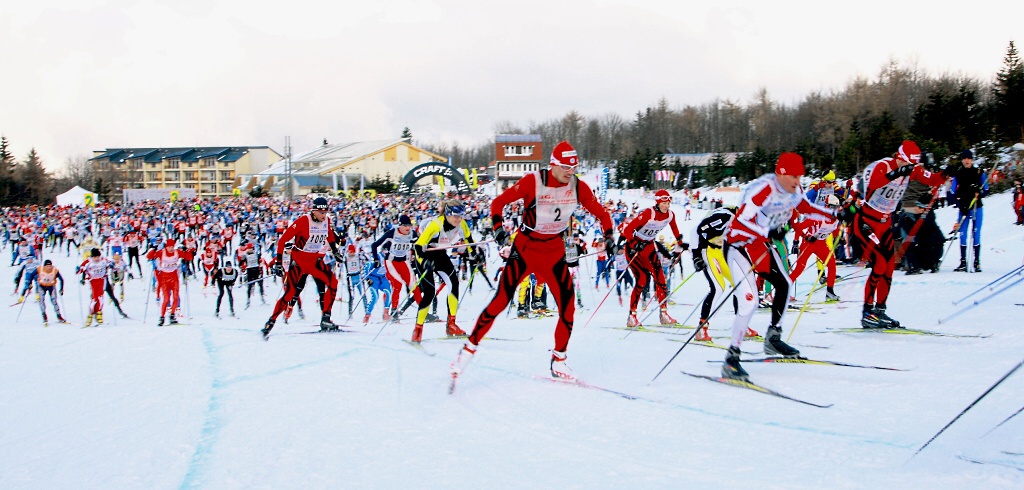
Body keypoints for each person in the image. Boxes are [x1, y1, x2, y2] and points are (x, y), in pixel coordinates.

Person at [450, 140, 614, 383]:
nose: (571, 173)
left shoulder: (579, 187)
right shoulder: (533, 181)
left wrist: (609, 236)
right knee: (500, 301)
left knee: (567, 308)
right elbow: (498, 203)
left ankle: (559, 360)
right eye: (566, 168)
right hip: (524, 250)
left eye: (574, 168)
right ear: (553, 165)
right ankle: (468, 350)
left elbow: (601, 214)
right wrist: (497, 229)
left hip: (554, 251)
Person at [721, 152, 838, 380]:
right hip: (738, 244)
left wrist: (835, 213)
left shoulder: (795, 191)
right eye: (793, 176)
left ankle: (773, 339)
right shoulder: (763, 190)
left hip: (760, 244)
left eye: (800, 176)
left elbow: (806, 208)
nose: (797, 181)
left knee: (784, 283)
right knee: (749, 300)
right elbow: (741, 222)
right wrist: (768, 231)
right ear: (781, 175)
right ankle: (731, 359)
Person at [853, 141, 948, 328]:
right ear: (900, 158)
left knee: (889, 266)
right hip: (866, 222)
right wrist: (899, 172)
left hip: (884, 223)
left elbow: (932, 179)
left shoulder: (913, 169)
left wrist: (946, 174)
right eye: (907, 164)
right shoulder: (884, 165)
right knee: (879, 263)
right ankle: (867, 312)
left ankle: (880, 310)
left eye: (913, 165)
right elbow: (875, 183)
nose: (910, 169)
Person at [262, 197, 345, 338]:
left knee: (333, 283)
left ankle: (326, 319)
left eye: (326, 212)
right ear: (313, 211)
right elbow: (283, 240)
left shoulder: (326, 220)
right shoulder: (303, 221)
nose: (324, 215)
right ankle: (271, 321)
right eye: (321, 212)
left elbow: (330, 235)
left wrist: (335, 251)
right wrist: (278, 263)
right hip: (299, 261)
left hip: (314, 261)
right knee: (290, 293)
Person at [621, 189, 687, 327]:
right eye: (664, 203)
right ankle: (632, 316)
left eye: (668, 202)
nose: (666, 205)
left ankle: (664, 314)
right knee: (642, 280)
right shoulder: (648, 213)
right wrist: (634, 243)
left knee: (661, 278)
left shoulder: (670, 215)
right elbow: (627, 230)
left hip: (649, 246)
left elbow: (675, 229)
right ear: (657, 202)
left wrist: (680, 243)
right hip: (634, 248)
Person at [410, 199, 475, 342]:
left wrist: (474, 253)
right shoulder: (436, 224)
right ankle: (418, 328)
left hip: (440, 255)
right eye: (456, 216)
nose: (459, 219)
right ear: (447, 214)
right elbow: (418, 246)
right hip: (425, 256)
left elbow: (469, 239)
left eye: (461, 216)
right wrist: (424, 262)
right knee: (429, 292)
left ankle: (451, 324)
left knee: (454, 284)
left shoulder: (462, 224)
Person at [689, 206, 736, 342]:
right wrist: (696, 257)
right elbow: (698, 230)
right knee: (718, 288)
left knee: (740, 284)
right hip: (708, 251)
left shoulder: (742, 219)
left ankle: (741, 325)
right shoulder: (725, 216)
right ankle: (702, 328)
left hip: (720, 252)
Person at [371, 214, 420, 322]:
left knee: (414, 286)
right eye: (405, 225)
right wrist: (376, 259)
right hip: (390, 262)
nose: (408, 228)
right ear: (400, 225)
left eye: (409, 225)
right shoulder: (392, 233)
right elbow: (374, 245)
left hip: (403, 262)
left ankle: (423, 311)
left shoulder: (412, 233)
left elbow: (419, 244)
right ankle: (393, 311)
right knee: (397, 284)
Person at [950, 149, 989, 272]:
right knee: (963, 234)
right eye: (964, 158)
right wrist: (960, 205)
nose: (966, 161)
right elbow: (952, 192)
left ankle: (977, 262)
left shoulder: (979, 172)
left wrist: (980, 192)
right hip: (963, 208)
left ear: (972, 159)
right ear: (962, 160)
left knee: (976, 234)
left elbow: (986, 189)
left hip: (976, 207)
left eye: (969, 158)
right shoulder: (958, 173)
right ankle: (963, 262)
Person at [146, 239, 194, 326]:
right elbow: (149, 257)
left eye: (172, 246)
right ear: (166, 247)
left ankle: (172, 315)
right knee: (166, 299)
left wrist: (187, 250)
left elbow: (189, 257)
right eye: (169, 247)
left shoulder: (177, 252)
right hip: (164, 278)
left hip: (174, 278)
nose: (171, 249)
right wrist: (152, 249)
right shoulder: (161, 252)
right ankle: (162, 317)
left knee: (176, 297)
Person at [78, 248, 111, 327]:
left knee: (101, 298)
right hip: (93, 281)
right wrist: (79, 270)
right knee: (94, 298)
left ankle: (99, 313)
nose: (96, 259)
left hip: (102, 280)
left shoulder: (103, 260)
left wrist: (111, 266)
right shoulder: (88, 261)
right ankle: (90, 315)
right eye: (94, 257)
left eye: (97, 257)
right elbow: (81, 268)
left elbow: (110, 264)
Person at [34, 259, 67, 325]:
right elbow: (31, 275)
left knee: (54, 301)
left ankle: (59, 316)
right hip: (41, 286)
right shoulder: (40, 269)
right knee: (41, 300)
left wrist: (61, 289)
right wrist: (30, 283)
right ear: (44, 266)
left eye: (50, 266)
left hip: (51, 286)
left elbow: (61, 280)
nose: (49, 267)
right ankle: (44, 315)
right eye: (47, 266)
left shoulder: (55, 270)